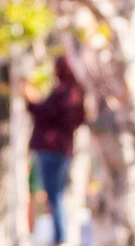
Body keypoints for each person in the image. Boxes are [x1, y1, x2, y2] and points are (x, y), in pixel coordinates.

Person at [24, 56, 87, 245]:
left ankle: (60, 238)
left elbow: (43, 112)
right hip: (63, 149)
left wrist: (30, 98)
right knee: (56, 194)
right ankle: (61, 235)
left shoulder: (64, 93)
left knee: (54, 195)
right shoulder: (76, 93)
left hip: (52, 149)